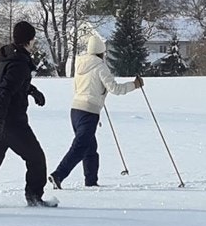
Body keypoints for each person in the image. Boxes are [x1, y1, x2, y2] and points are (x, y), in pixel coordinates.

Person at [0, 21, 52, 208]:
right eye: (33, 39)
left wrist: (32, 91)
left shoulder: (7, 56)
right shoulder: (19, 63)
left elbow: (9, 84)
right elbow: (4, 92)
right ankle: (34, 196)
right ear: (28, 40)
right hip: (10, 121)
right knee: (36, 158)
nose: (34, 42)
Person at [48, 34, 141, 189]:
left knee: (90, 148)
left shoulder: (79, 65)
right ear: (101, 52)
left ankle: (91, 182)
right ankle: (58, 175)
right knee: (80, 147)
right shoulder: (100, 67)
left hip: (75, 110)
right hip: (89, 112)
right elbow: (115, 89)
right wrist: (134, 85)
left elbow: (78, 88)